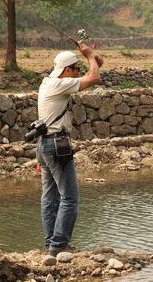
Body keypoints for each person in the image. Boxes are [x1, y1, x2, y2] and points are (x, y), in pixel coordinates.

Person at [36, 44, 103, 257]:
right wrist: (90, 56)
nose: (76, 74)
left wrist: (91, 62)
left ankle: (51, 244)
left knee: (50, 198)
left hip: (43, 145)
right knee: (70, 198)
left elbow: (90, 75)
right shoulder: (60, 85)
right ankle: (60, 244)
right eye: (75, 70)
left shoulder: (48, 83)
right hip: (57, 146)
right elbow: (94, 79)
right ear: (66, 71)